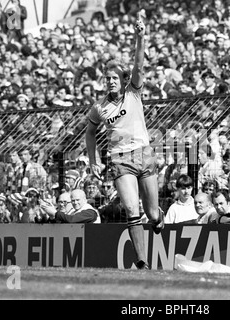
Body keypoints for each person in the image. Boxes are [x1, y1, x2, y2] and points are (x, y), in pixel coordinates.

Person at [85, 13, 163, 270]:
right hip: (120, 159)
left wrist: (140, 38)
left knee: (151, 214)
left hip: (143, 154)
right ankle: (142, 261)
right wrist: (94, 161)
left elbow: (139, 66)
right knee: (131, 209)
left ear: (123, 80)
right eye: (107, 78)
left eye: (114, 77)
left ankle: (157, 217)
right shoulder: (99, 107)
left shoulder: (133, 92)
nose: (110, 81)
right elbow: (89, 132)